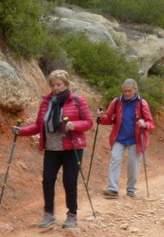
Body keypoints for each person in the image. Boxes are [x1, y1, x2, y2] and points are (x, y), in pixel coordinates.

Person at [13, 70, 93, 228]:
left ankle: (72, 214)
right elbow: (38, 126)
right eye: (53, 85)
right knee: (48, 180)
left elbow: (89, 122)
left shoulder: (77, 100)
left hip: (72, 147)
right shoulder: (46, 102)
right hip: (51, 148)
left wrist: (74, 125)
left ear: (66, 84)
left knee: (69, 181)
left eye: (59, 85)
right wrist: (21, 131)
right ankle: (48, 214)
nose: (55, 88)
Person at [99, 78, 154, 198]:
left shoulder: (141, 103)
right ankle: (112, 189)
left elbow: (150, 122)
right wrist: (101, 117)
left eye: (129, 91)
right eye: (125, 91)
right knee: (115, 159)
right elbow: (109, 117)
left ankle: (131, 189)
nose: (127, 93)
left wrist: (144, 124)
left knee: (133, 163)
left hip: (136, 138)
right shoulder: (117, 101)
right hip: (119, 137)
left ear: (135, 89)